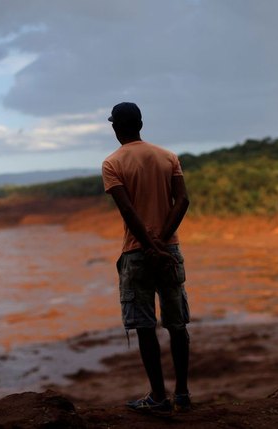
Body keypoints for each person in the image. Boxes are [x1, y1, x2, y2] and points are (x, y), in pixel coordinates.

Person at [101, 102, 192, 414]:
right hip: (170, 250)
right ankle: (181, 393)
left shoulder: (112, 163)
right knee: (177, 324)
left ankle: (157, 397)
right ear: (141, 123)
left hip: (137, 253)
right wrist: (163, 241)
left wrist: (149, 246)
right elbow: (183, 200)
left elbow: (127, 210)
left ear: (116, 127)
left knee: (144, 326)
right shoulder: (168, 157)